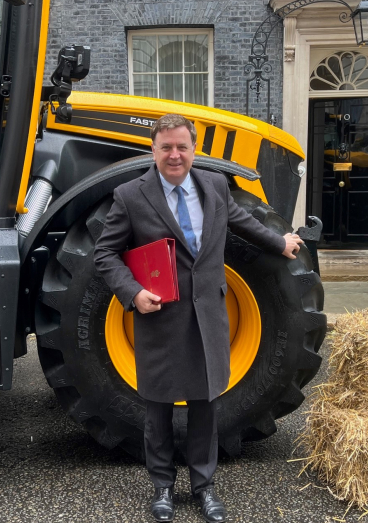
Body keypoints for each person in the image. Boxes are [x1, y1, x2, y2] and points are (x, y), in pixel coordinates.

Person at [93, 114, 303, 523]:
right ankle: (162, 488)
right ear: (153, 150)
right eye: (166, 147)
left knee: (206, 406)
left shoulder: (214, 185)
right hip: (159, 318)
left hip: (208, 317)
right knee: (158, 408)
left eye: (182, 147)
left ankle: (205, 488)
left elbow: (242, 223)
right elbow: (104, 254)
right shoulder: (130, 196)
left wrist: (279, 242)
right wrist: (133, 292)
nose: (174, 155)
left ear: (193, 150)